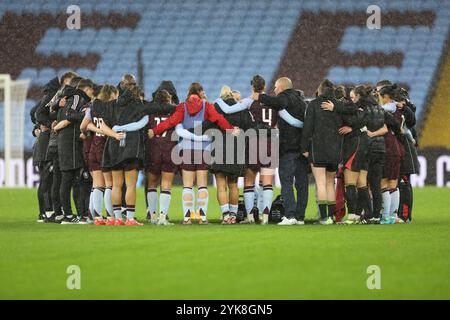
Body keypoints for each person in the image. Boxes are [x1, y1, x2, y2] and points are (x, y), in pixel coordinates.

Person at [148, 82, 237, 224]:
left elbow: (171, 122)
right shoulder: (206, 106)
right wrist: (231, 129)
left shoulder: (182, 106)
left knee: (187, 185)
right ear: (200, 92)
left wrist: (155, 130)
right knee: (202, 184)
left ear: (189, 93)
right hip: (203, 149)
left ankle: (187, 218)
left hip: (187, 149)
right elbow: (218, 119)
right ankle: (202, 218)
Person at [252, 77, 308, 225]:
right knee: (302, 184)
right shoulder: (301, 101)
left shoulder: (285, 97)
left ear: (282, 87)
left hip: (288, 147)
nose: (275, 90)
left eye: (276, 88)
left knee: (287, 182)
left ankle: (290, 216)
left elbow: (278, 102)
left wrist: (260, 96)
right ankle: (300, 217)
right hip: (302, 149)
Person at [300, 79, 343, 225]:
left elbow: (308, 128)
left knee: (321, 183)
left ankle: (324, 217)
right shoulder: (338, 105)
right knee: (331, 182)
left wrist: (304, 148)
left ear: (321, 89)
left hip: (318, 148)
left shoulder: (313, 104)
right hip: (335, 148)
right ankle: (332, 217)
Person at [80, 84, 122, 225]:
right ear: (111, 95)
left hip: (94, 146)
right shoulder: (110, 108)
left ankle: (97, 217)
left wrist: (89, 132)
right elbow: (107, 127)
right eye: (116, 95)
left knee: (97, 184)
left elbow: (83, 126)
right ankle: (110, 217)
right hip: (105, 147)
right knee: (110, 184)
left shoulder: (94, 107)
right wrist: (113, 134)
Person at [54, 79, 94, 224]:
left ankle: (72, 215)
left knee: (69, 180)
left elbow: (64, 117)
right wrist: (88, 117)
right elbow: (70, 115)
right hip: (70, 144)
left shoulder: (70, 99)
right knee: (74, 180)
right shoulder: (78, 97)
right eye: (91, 89)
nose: (92, 92)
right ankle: (75, 215)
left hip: (67, 143)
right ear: (86, 88)